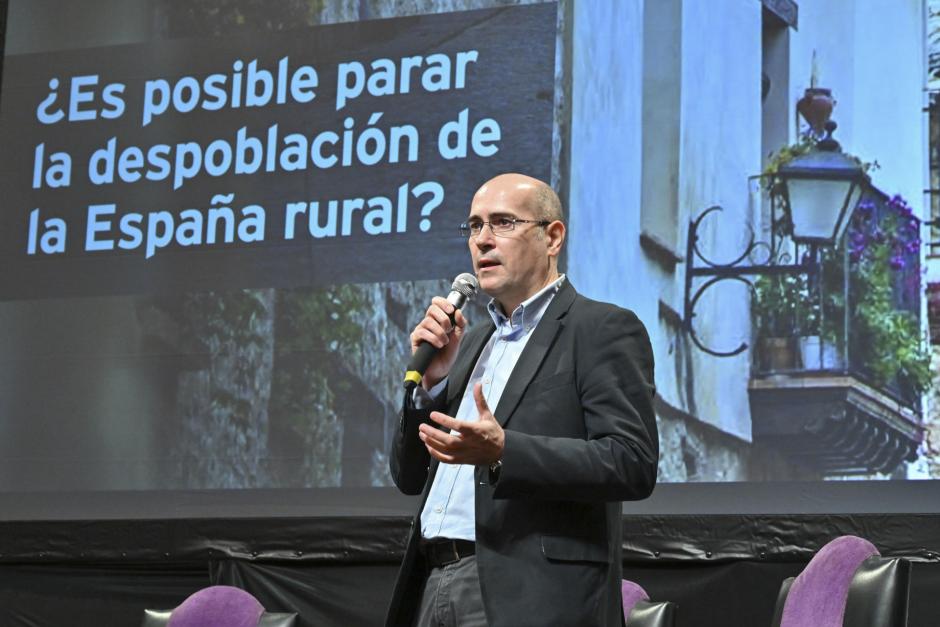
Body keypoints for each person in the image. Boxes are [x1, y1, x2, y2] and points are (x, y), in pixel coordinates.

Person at [386, 173, 658, 627]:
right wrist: (432, 386)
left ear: (552, 237)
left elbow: (632, 462)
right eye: (474, 226)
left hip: (528, 594)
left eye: (502, 223)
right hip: (433, 581)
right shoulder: (472, 344)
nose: (483, 241)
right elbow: (410, 477)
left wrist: (504, 451)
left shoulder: (600, 329)